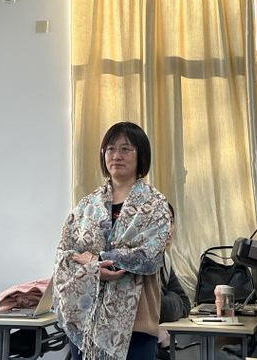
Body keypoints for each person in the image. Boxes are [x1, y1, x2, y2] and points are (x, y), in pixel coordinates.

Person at [54, 122, 172, 360]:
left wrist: (96, 259)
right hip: (86, 320)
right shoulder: (86, 206)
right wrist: (93, 269)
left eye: (125, 149)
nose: (116, 155)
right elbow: (64, 254)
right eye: (110, 149)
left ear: (141, 155)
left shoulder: (156, 205)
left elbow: (148, 257)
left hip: (136, 324)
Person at [157, 203, 190, 358]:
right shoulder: (140, 261)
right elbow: (161, 309)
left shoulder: (164, 258)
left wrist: (165, 295)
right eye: (162, 222)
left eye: (170, 221)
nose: (168, 229)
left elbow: (185, 303)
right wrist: (169, 296)